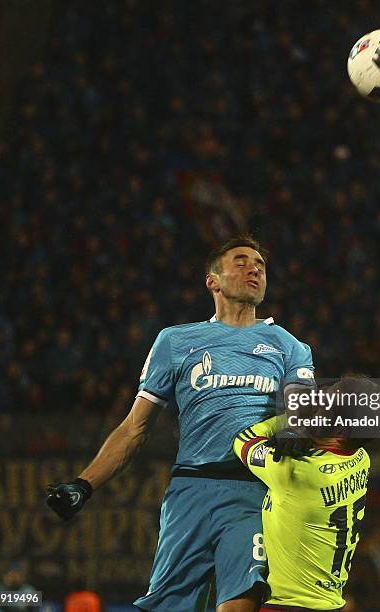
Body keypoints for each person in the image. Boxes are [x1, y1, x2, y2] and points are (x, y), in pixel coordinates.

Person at [46, 235, 316, 612]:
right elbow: (135, 427)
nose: (254, 268)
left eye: (260, 264)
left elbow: (301, 418)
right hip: (190, 491)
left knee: (241, 602)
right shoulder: (175, 342)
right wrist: (83, 483)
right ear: (213, 281)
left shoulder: (289, 346)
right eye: (241, 261)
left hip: (254, 490)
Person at [232, 377, 380, 612]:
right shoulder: (360, 458)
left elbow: (243, 441)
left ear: (341, 430)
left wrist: (290, 421)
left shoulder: (297, 470)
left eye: (327, 403)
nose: (316, 401)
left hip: (288, 606)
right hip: (329, 604)